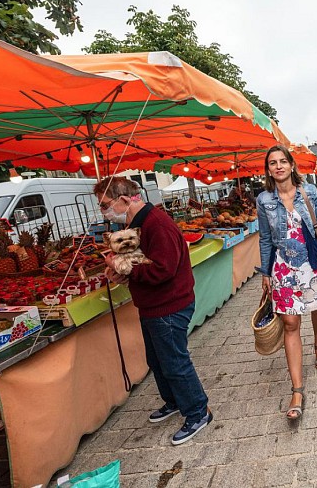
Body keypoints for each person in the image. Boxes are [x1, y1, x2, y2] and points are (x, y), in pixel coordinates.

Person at [95, 176, 211, 446]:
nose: (104, 212)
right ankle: (173, 401)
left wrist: (121, 265)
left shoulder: (156, 224)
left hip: (168, 306)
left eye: (105, 205)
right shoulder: (136, 224)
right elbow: (143, 264)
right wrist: (125, 274)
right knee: (157, 360)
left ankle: (198, 412)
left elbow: (162, 269)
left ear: (124, 200)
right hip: (152, 304)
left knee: (175, 362)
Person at [256, 144, 317, 421]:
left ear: (292, 165)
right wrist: (266, 272)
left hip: (312, 262)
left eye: (283, 161)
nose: (279, 166)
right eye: (273, 163)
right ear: (268, 169)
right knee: (291, 323)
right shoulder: (264, 200)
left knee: (316, 307)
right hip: (283, 267)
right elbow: (266, 238)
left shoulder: (310, 192)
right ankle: (297, 390)